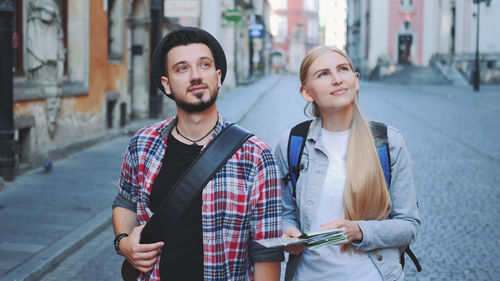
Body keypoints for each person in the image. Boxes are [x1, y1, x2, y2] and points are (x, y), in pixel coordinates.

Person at [112, 27, 283, 281]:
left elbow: (266, 251)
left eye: (204, 65)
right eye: (182, 68)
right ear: (166, 84)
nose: (195, 76)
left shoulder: (256, 156)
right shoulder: (143, 143)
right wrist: (124, 243)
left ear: (218, 76)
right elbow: (126, 201)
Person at [275, 46, 420, 281]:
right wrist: (288, 231)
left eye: (343, 69)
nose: (337, 79)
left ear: (356, 80)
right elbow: (285, 212)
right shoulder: (292, 143)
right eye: (323, 74)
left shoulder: (387, 142)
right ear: (307, 92)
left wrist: (360, 231)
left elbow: (408, 225)